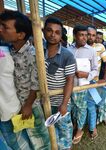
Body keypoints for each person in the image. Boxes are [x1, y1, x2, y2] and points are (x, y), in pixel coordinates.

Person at [0, 10, 50, 150]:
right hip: (16, 104)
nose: (1, 29)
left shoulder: (33, 54)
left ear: (20, 34)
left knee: (40, 137)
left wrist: (28, 105)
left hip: (31, 104)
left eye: (5, 27)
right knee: (25, 137)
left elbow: (36, 84)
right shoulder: (10, 50)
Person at [43, 17, 76, 150]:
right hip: (44, 101)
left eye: (57, 32)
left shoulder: (67, 55)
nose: (53, 35)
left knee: (64, 133)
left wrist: (64, 104)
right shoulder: (37, 50)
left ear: (61, 35)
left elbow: (70, 80)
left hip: (60, 102)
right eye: (49, 30)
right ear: (44, 31)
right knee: (48, 131)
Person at [68, 25, 98, 144]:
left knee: (82, 108)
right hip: (69, 86)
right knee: (72, 108)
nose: (84, 38)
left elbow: (95, 69)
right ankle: (75, 125)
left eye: (86, 35)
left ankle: (79, 130)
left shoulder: (91, 51)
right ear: (75, 36)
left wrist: (86, 75)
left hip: (83, 87)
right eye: (81, 35)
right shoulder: (68, 49)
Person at [0, 40, 31, 149]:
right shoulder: (9, 51)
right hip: (10, 108)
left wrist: (27, 105)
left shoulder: (9, 51)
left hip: (10, 110)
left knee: (17, 142)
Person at [86, 26, 106, 138]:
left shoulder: (100, 47)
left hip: (93, 82)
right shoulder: (78, 46)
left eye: (93, 35)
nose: (91, 37)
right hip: (79, 82)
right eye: (88, 34)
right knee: (80, 106)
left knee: (91, 105)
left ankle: (92, 127)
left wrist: (104, 78)